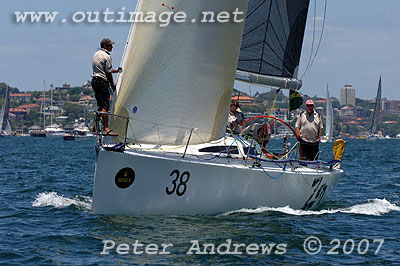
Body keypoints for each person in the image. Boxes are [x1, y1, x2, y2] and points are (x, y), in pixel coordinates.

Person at [92, 38, 121, 136]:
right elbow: (107, 74)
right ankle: (106, 128)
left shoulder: (96, 54)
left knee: (100, 105)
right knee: (105, 106)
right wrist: (112, 84)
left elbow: (102, 69)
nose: (112, 47)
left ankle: (95, 127)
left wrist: (114, 71)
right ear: (105, 46)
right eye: (110, 45)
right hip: (102, 82)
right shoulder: (106, 56)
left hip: (95, 80)